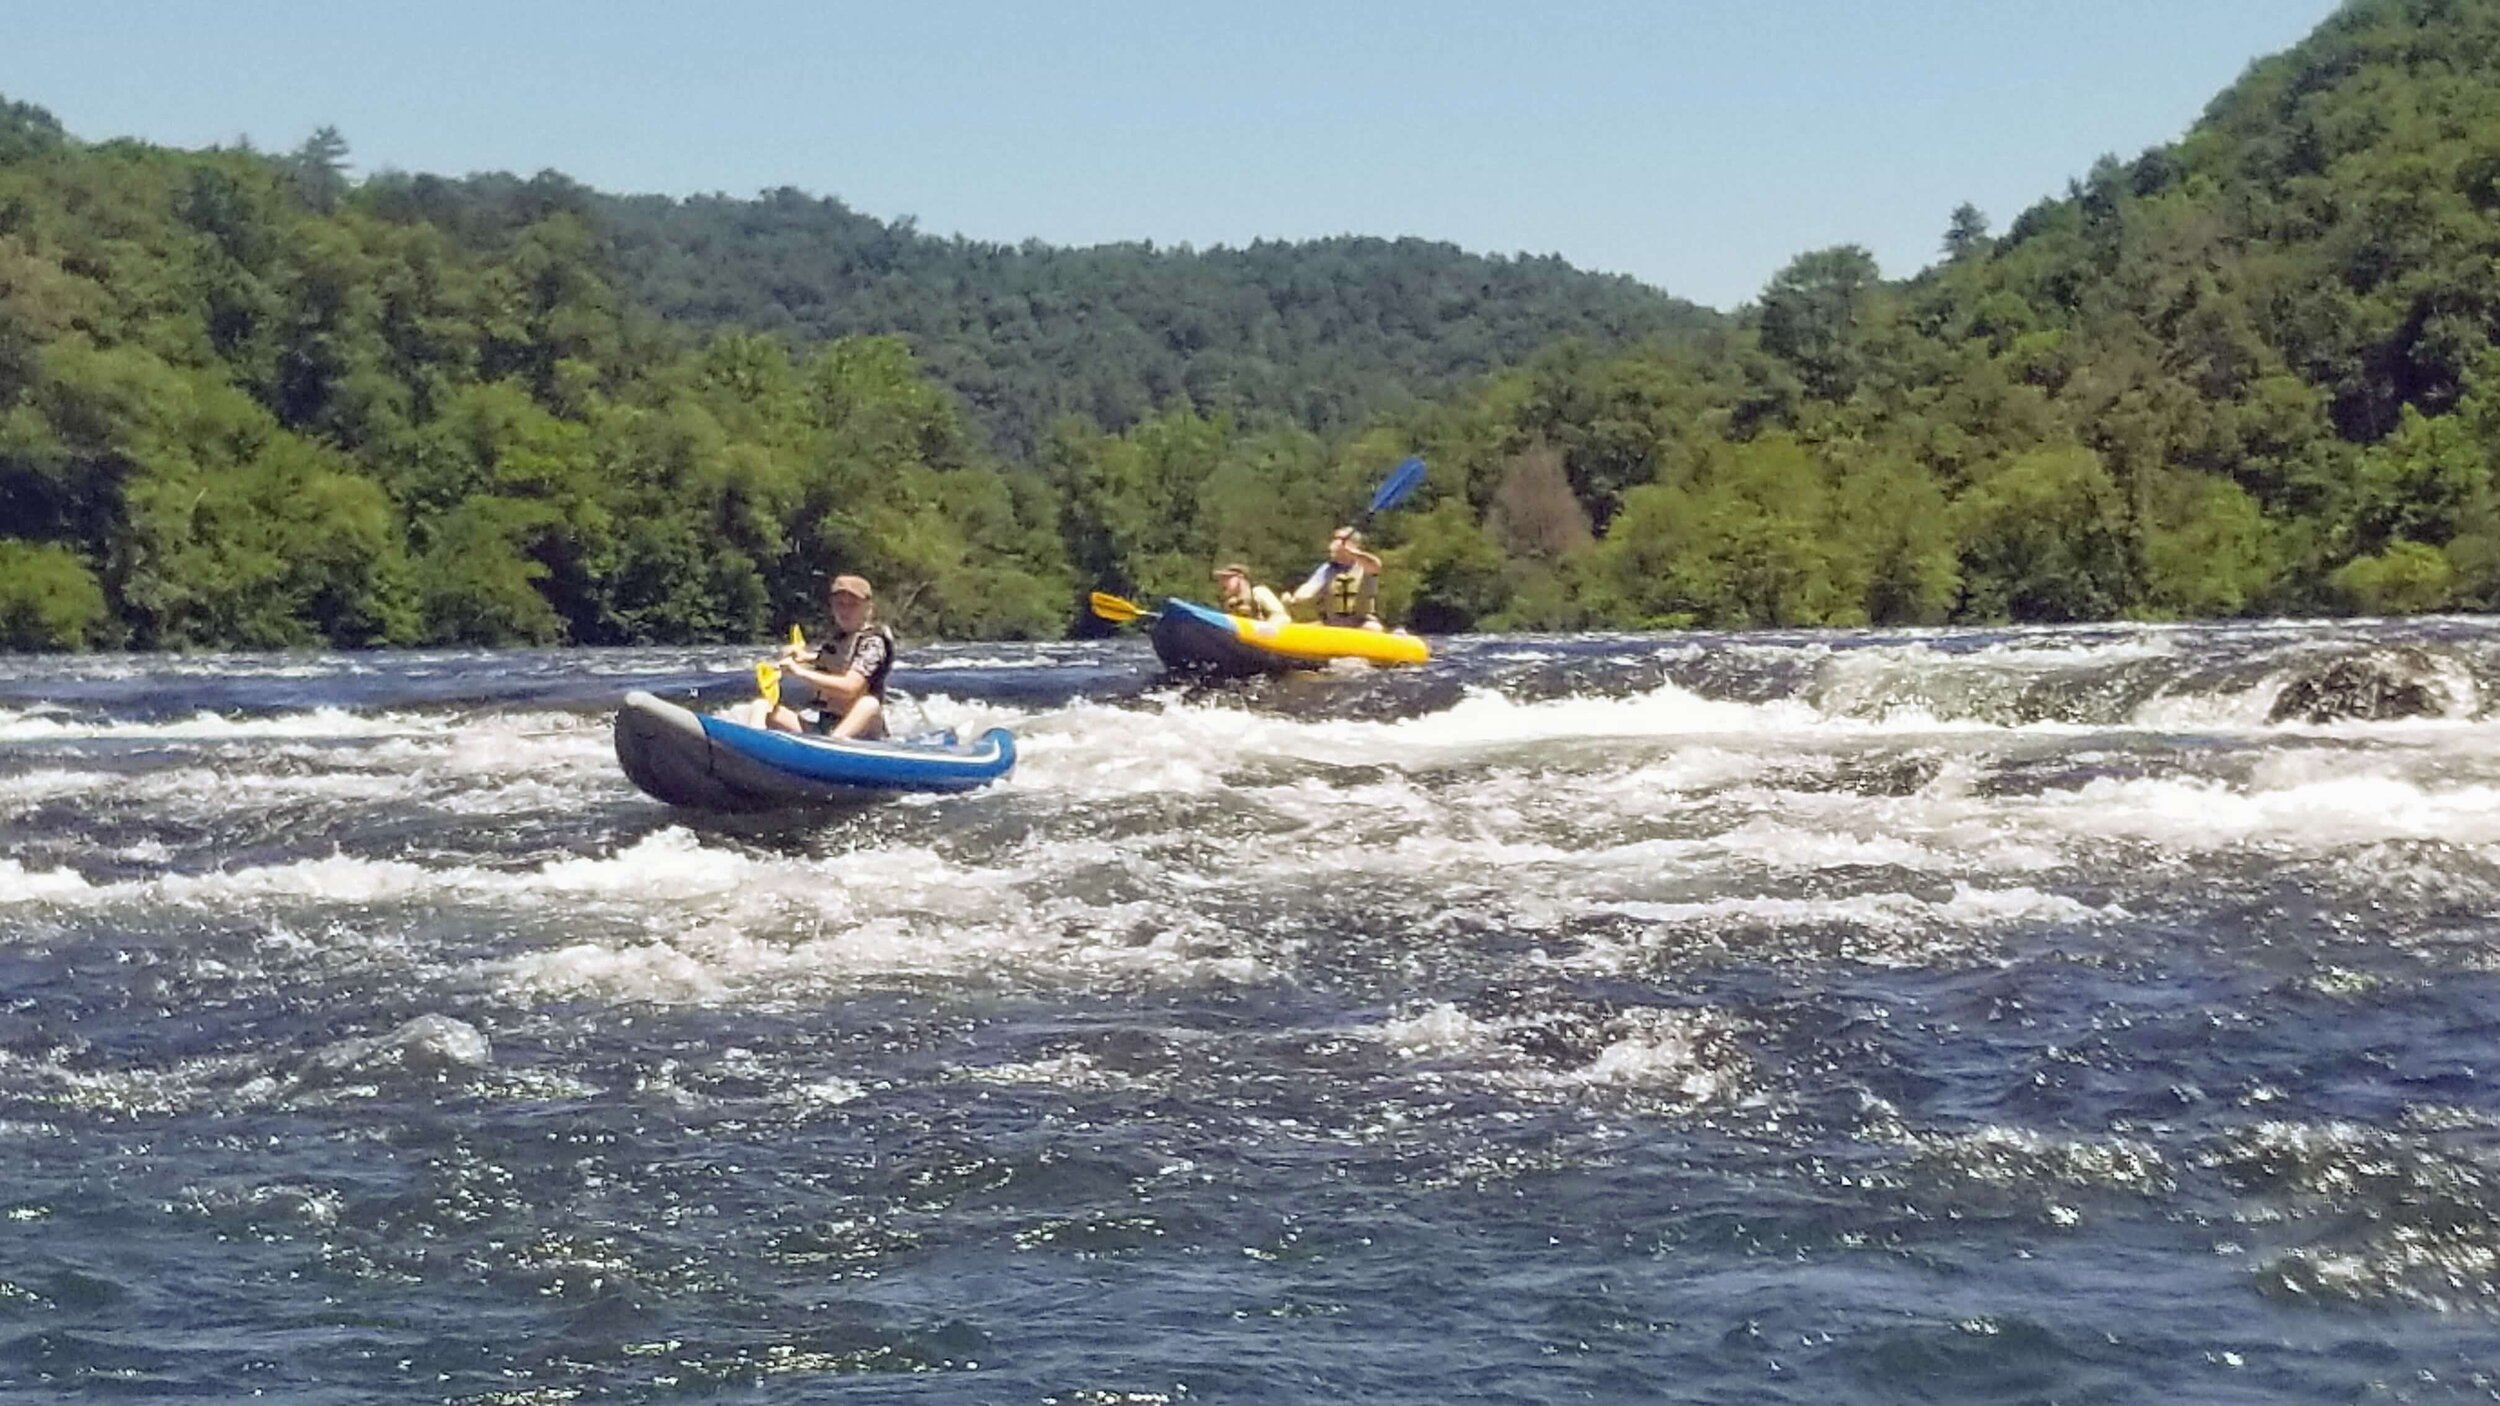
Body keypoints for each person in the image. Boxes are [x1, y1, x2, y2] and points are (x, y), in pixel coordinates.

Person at [761, 574, 894, 739]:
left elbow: (850, 688)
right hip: (826, 725)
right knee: (764, 709)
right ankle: (749, 746)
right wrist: (803, 658)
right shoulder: (839, 638)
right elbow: (835, 661)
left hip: (864, 731)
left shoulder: (873, 643)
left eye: (853, 604)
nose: (845, 610)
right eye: (840, 604)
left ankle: (833, 745)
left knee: (869, 704)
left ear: (868, 608)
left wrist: (799, 672)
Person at [1283, 526, 1385, 630]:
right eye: (1334, 539)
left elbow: (1375, 565)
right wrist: (1298, 597)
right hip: (1330, 622)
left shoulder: (1364, 566)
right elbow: (1310, 587)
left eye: (1340, 540)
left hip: (1360, 622)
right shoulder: (1327, 569)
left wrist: (1350, 551)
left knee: (1373, 628)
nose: (1333, 544)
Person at [1212, 562, 1292, 626]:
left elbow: (1282, 617)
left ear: (1240, 577)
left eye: (1227, 578)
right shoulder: (1230, 604)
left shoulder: (1259, 592)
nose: (1221, 582)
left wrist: (1264, 630)